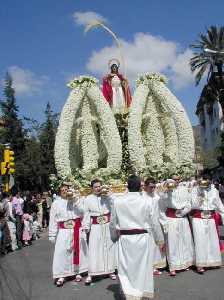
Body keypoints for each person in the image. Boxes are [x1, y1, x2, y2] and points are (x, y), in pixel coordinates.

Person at [110, 175, 165, 299]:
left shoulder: (118, 201)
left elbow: (113, 222)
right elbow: (154, 222)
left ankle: (129, 292)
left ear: (127, 186)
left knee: (126, 267)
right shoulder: (147, 201)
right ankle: (140, 291)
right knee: (142, 267)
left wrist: (113, 236)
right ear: (140, 186)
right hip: (142, 239)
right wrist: (159, 240)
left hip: (125, 239)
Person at [49, 182, 88, 287]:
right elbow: (53, 220)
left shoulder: (77, 200)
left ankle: (77, 272)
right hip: (64, 231)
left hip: (76, 229)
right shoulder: (56, 203)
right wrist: (52, 234)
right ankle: (62, 275)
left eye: (67, 190)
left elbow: (84, 213)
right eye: (63, 190)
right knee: (62, 252)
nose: (65, 192)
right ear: (60, 192)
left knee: (77, 250)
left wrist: (76, 201)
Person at [83, 179, 116, 285]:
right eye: (96, 187)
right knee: (94, 249)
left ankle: (110, 270)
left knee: (109, 248)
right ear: (92, 188)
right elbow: (86, 214)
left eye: (99, 186)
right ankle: (92, 273)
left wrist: (109, 195)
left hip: (107, 225)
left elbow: (114, 207)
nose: (98, 188)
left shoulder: (106, 197)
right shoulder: (88, 199)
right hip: (95, 227)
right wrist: (86, 226)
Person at [159, 175, 194, 276]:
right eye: (174, 179)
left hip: (182, 218)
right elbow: (161, 207)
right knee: (172, 243)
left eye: (178, 179)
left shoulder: (184, 189)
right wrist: (164, 222)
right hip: (171, 219)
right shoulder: (165, 191)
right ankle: (173, 265)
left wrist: (184, 212)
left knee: (185, 240)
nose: (177, 181)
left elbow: (188, 203)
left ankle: (185, 263)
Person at [191, 176, 224, 273]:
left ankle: (213, 262)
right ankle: (200, 264)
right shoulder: (195, 190)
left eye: (207, 180)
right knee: (200, 240)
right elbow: (193, 205)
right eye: (203, 180)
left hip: (210, 217)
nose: (205, 182)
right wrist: (199, 196)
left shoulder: (214, 191)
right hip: (198, 218)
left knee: (212, 240)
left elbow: (219, 205)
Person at [143, 178, 166, 275]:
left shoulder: (157, 196)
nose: (152, 189)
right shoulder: (142, 197)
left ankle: (157, 265)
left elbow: (162, 208)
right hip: (147, 225)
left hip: (156, 223)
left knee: (158, 244)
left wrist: (164, 222)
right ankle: (149, 266)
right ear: (145, 187)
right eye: (150, 187)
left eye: (154, 187)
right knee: (149, 246)